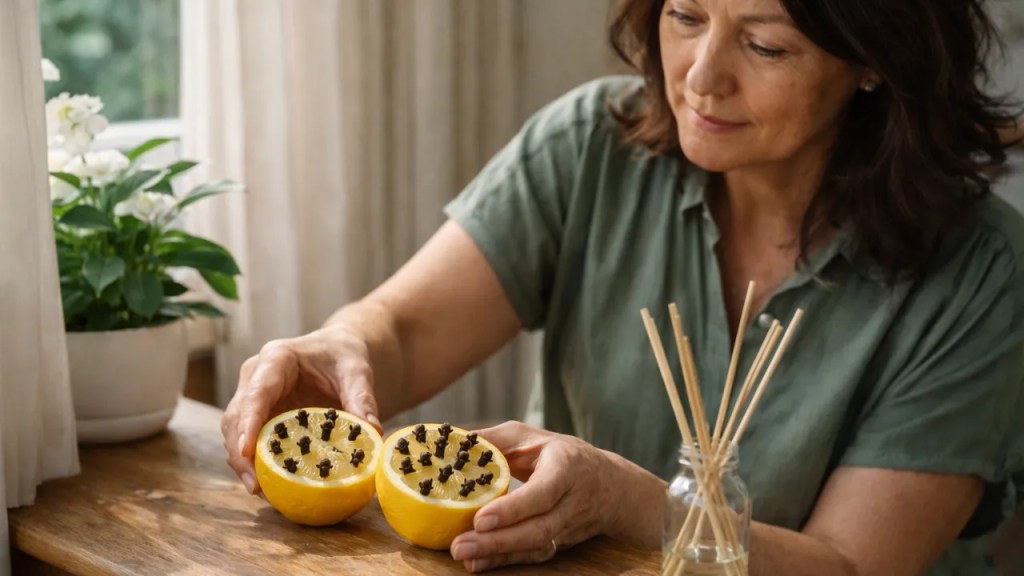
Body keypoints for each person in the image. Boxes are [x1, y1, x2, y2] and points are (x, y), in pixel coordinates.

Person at [221, 0, 1024, 573]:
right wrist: (342, 348)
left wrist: (626, 500)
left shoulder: (982, 270)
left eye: (767, 46)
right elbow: (405, 331)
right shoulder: (590, 146)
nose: (701, 79)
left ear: (875, 62)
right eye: (684, 16)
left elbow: (853, 565)